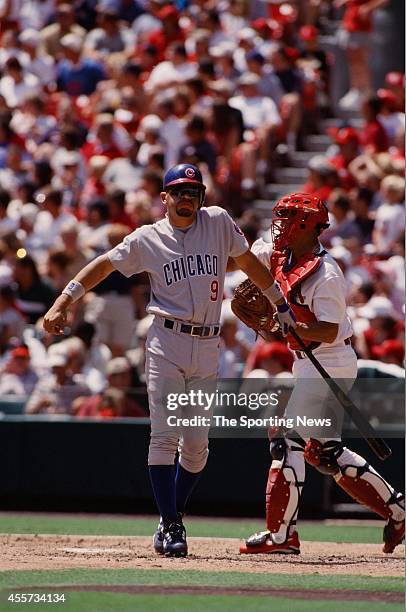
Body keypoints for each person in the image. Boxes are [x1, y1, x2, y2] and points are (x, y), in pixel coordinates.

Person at [43, 163, 296, 558]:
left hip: (209, 344)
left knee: (197, 447)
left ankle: (168, 515)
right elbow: (104, 265)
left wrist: (280, 304)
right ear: (164, 197)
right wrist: (63, 301)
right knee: (164, 436)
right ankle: (173, 524)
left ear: (202, 197)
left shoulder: (218, 222)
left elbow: (248, 264)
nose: (186, 198)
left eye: (193, 192)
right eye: (178, 191)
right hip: (167, 341)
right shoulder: (147, 238)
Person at [239, 192, 405, 555]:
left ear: (307, 226)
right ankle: (399, 511)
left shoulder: (327, 273)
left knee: (287, 437)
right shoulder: (281, 254)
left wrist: (288, 326)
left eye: (288, 219)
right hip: (309, 360)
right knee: (323, 452)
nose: (280, 226)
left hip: (331, 359)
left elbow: (329, 330)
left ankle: (281, 536)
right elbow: (248, 259)